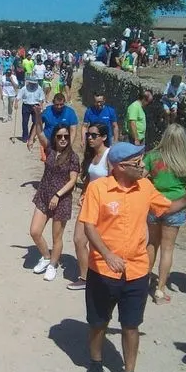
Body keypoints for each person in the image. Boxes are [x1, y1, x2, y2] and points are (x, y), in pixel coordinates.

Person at [80, 142, 186, 372]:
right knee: (99, 322)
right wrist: (107, 254)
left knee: (131, 325)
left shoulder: (146, 187)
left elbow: (167, 208)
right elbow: (89, 226)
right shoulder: (98, 189)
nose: (142, 166)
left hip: (137, 270)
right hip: (103, 270)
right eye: (137, 162)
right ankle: (96, 362)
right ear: (120, 167)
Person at [144, 124, 186, 304]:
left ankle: (143, 280)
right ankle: (160, 290)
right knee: (167, 248)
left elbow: (140, 177)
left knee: (151, 243)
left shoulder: (152, 156)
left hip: (154, 203)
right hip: (177, 205)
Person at [27, 122, 80, 283]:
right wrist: (38, 115)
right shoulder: (49, 150)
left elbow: (72, 180)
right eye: (59, 136)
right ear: (55, 138)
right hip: (44, 196)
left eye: (66, 136)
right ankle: (46, 256)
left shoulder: (72, 157)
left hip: (61, 200)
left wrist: (58, 195)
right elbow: (40, 133)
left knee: (57, 237)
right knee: (35, 231)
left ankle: (53, 265)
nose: (63, 139)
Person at [67, 122, 111, 291]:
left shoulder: (109, 156)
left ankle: (103, 276)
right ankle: (85, 278)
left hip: (104, 205)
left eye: (94, 135)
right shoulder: (90, 155)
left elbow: (114, 181)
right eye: (88, 135)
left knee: (100, 243)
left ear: (104, 137)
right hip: (88, 203)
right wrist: (83, 193)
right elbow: (89, 179)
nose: (90, 138)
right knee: (79, 239)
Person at [14, 77, 45, 143]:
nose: (33, 84)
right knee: (25, 122)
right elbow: (18, 97)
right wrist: (16, 103)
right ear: (29, 82)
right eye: (31, 83)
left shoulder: (39, 88)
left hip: (35, 106)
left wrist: (41, 107)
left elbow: (41, 99)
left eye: (34, 83)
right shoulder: (24, 88)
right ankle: (25, 137)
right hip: (26, 106)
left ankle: (31, 135)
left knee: (35, 122)